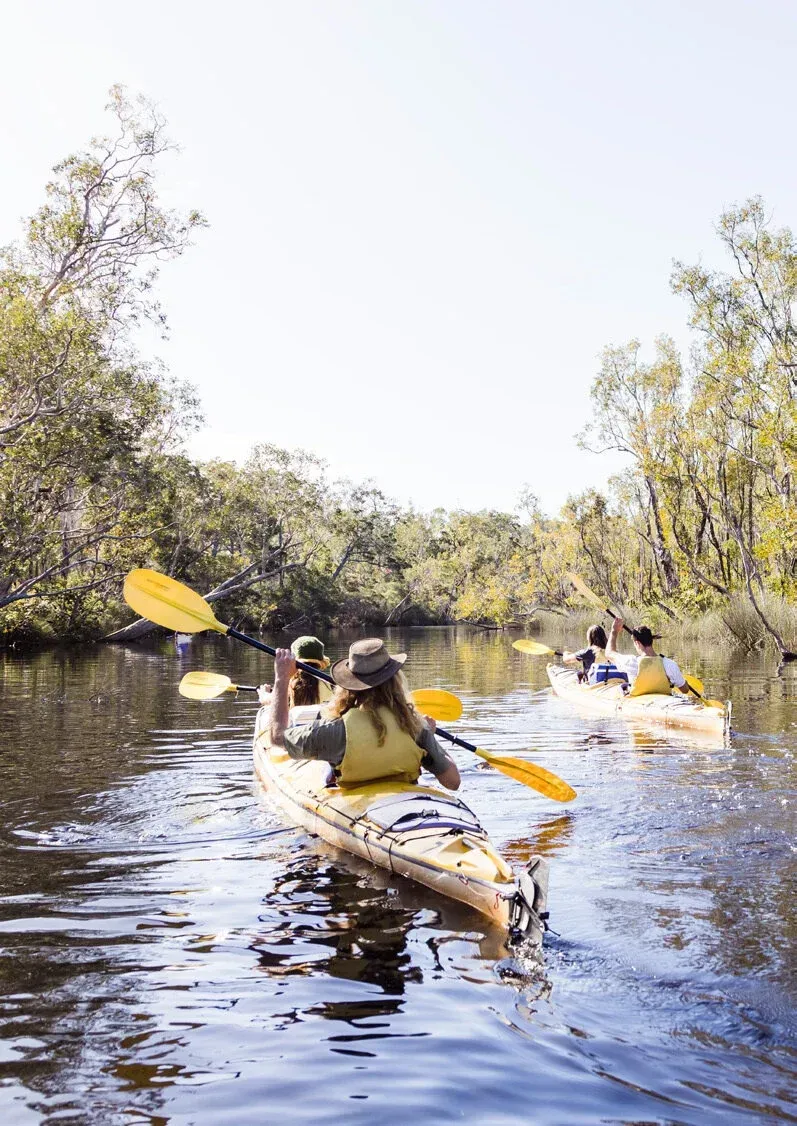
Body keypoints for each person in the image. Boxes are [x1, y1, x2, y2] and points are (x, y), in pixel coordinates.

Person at [269, 638, 461, 791]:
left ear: (349, 686)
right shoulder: (415, 726)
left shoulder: (335, 731)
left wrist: (282, 678)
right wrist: (430, 736)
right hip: (406, 799)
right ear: (395, 680)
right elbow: (453, 782)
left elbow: (278, 738)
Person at [606, 617, 688, 696]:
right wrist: (681, 680)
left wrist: (614, 631)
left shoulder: (631, 662)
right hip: (664, 701)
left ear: (637, 643)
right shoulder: (669, 664)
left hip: (639, 704)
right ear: (651, 641)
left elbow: (609, 653)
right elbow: (685, 690)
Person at [257, 635, 334, 707]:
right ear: (320, 662)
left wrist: (264, 693)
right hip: (322, 721)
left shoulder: (289, 685)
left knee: (266, 710)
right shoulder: (331, 685)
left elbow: (272, 701)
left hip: (290, 721)